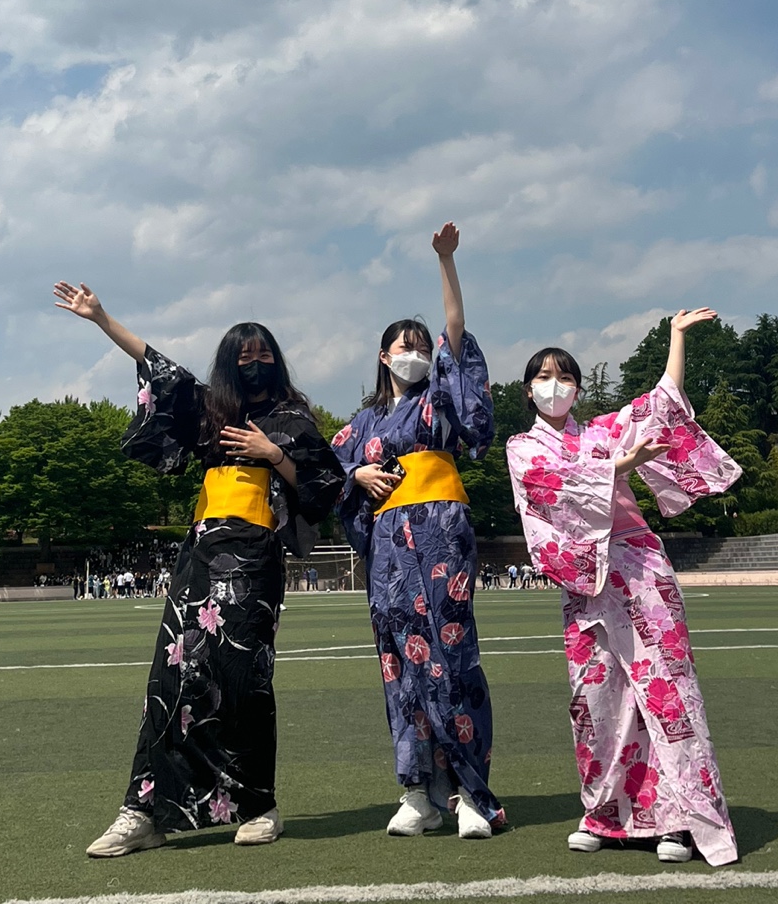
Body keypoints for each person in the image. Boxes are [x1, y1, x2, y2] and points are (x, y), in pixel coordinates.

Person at [54, 280, 344, 855]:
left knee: (244, 680)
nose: (255, 364)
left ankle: (258, 806)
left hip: (255, 558)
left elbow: (325, 485)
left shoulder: (292, 416)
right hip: (200, 555)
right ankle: (143, 811)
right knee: (170, 676)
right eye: (244, 355)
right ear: (229, 363)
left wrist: (274, 455)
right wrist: (102, 318)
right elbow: (163, 371)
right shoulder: (214, 413)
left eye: (264, 355)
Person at [506, 310, 740, 867]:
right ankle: (605, 814)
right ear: (528, 389)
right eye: (544, 377)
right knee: (598, 698)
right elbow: (548, 485)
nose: (555, 386)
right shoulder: (522, 447)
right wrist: (616, 468)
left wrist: (676, 338)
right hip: (586, 582)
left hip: (640, 568)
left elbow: (661, 403)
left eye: (565, 377)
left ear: (578, 389)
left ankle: (678, 821)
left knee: (664, 692)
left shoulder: (602, 432)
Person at [333, 224, 502, 841]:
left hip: (441, 535)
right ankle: (418, 792)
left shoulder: (439, 399)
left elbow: (456, 332)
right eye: (403, 345)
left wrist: (446, 262)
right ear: (383, 356)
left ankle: (471, 793)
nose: (416, 351)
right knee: (399, 661)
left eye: (421, 345)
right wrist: (356, 473)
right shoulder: (363, 422)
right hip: (388, 550)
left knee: (450, 655)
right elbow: (327, 474)